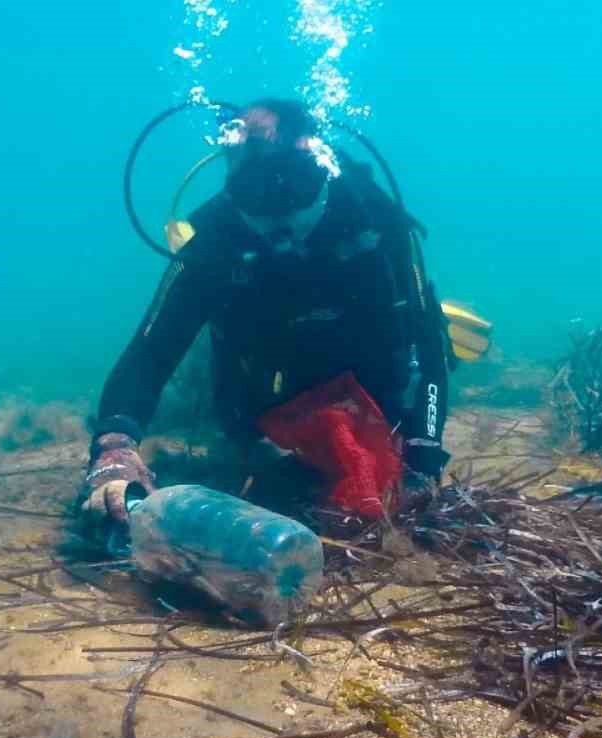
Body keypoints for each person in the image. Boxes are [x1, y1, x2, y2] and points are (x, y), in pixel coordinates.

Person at [82, 99, 451, 525]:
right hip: (263, 390)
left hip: (371, 377)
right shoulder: (217, 240)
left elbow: (427, 347)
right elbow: (152, 349)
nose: (275, 215)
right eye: (250, 189)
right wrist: (114, 447)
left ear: (315, 166)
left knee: (395, 412)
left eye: (286, 183)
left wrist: (423, 455)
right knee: (233, 422)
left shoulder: (376, 223)